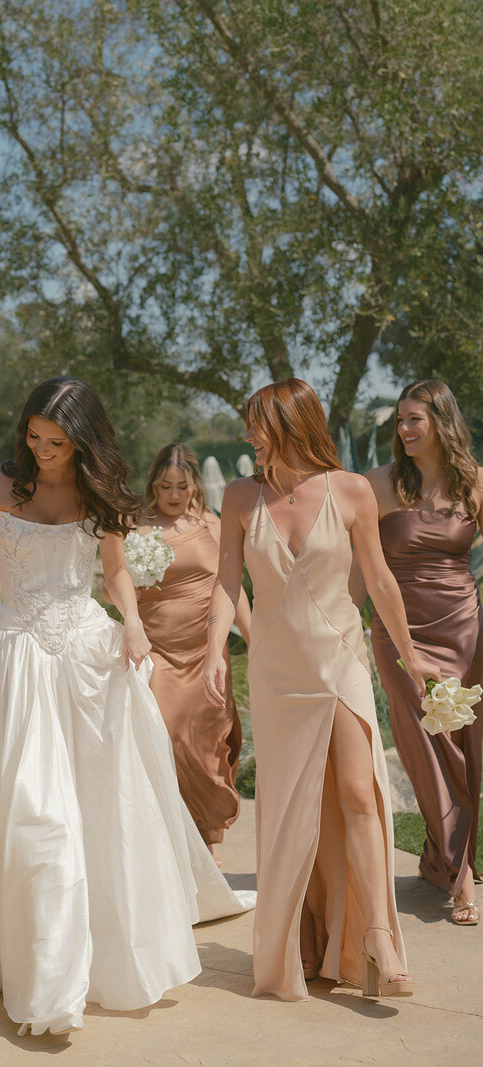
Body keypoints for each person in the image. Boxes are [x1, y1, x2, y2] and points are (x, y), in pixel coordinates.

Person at [0, 377, 254, 1036]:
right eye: (34, 437)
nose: (42, 450)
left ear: (82, 439)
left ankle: (79, 962)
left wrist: (133, 623)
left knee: (96, 813)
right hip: (12, 665)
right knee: (35, 816)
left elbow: (114, 572)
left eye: (56, 442)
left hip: (88, 662)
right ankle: (43, 983)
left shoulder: (100, 491)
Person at [204, 378, 434, 1002]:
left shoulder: (351, 490)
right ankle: (302, 936)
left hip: (340, 662)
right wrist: (216, 650)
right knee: (293, 809)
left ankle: (379, 937)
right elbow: (227, 581)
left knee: (359, 793)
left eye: (257, 424)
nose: (248, 435)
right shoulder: (240, 495)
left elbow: (380, 581)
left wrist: (410, 657)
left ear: (288, 424)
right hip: (277, 674)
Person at [354, 380, 483, 926]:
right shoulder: (378, 484)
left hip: (463, 629)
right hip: (398, 631)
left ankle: (440, 858)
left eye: (414, 420)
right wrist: (344, 625)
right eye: (399, 421)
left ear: (441, 422)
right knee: (423, 747)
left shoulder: (475, 482)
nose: (404, 430)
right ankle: (461, 876)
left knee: (462, 747)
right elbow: (360, 566)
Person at [134, 444, 251, 865]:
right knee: (167, 736)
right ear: (153, 484)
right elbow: (118, 586)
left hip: (207, 651)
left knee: (205, 741)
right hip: (158, 651)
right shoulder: (136, 528)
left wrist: (253, 638)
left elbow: (231, 587)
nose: (173, 494)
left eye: (181, 486)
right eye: (165, 486)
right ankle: (173, 835)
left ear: (194, 485)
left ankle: (207, 836)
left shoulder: (212, 525)